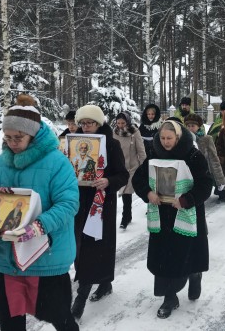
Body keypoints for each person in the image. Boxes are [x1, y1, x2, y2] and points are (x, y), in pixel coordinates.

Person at [0, 94, 80, 331]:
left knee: (60, 318)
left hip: (46, 256)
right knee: (10, 323)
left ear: (34, 134)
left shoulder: (57, 162)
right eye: (8, 138)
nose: (12, 143)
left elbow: (68, 204)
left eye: (18, 137)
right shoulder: (0, 164)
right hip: (8, 259)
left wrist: (38, 226)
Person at [132, 120, 212, 319]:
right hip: (161, 215)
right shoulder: (153, 153)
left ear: (178, 137)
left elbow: (205, 184)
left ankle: (195, 275)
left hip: (185, 212)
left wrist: (186, 200)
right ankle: (170, 297)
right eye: (162, 138)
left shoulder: (193, 155)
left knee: (187, 255)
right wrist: (148, 192)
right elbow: (138, 178)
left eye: (170, 138)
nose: (166, 142)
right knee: (165, 259)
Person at [72, 105, 129, 319]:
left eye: (91, 123)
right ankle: (104, 282)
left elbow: (122, 175)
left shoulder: (111, 145)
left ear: (99, 124)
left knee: (94, 247)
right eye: (83, 123)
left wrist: (108, 180)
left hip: (101, 202)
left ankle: (81, 296)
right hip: (78, 201)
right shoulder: (73, 143)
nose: (86, 127)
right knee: (79, 245)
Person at [113, 111, 146, 229]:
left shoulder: (134, 132)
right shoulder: (115, 133)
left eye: (123, 122)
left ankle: (125, 217)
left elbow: (141, 151)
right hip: (119, 167)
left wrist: (144, 166)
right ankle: (128, 215)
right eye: (118, 123)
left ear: (128, 121)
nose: (121, 125)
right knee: (121, 191)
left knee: (127, 192)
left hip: (132, 167)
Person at [184, 113, 225, 191]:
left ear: (199, 126)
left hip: (203, 174)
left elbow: (214, 159)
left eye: (193, 126)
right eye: (188, 126)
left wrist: (220, 180)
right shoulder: (183, 139)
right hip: (187, 175)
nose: (190, 128)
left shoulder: (206, 139)